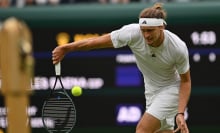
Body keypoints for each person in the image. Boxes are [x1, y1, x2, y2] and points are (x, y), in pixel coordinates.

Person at [52, 2, 191, 133]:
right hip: (151, 91)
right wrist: (67, 48)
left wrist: (180, 112)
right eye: (143, 30)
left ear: (161, 27)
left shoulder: (178, 47)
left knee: (142, 129)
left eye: (150, 30)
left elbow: (185, 81)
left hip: (171, 89)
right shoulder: (132, 32)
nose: (146, 35)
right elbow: (94, 42)